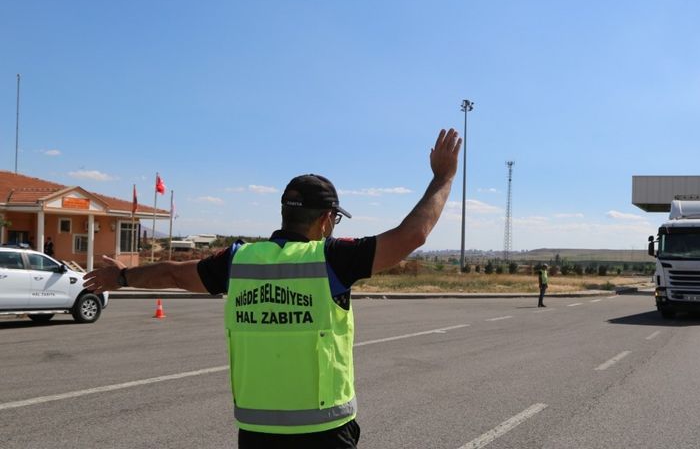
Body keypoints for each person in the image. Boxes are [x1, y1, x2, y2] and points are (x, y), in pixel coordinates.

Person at [83, 128, 461, 449]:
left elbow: (175, 274)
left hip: (257, 432)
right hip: (324, 431)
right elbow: (412, 235)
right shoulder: (330, 259)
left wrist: (122, 278)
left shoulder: (238, 261)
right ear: (327, 219)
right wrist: (442, 178)